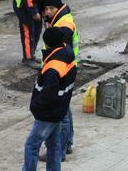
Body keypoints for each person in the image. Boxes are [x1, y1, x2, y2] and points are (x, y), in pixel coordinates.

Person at [22, 27, 77, 171]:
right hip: (59, 109)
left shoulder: (53, 67)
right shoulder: (67, 53)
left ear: (47, 44)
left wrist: (35, 106)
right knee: (54, 145)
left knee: (31, 145)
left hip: (48, 113)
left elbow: (48, 95)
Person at [42, 0, 78, 160]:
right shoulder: (61, 19)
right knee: (66, 108)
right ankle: (67, 144)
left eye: (51, 8)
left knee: (61, 112)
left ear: (58, 8)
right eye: (46, 9)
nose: (48, 12)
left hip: (62, 71)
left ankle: (59, 152)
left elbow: (61, 50)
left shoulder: (63, 25)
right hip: (67, 69)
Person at [13, 0, 60, 69]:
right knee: (28, 30)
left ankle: (32, 54)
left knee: (37, 30)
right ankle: (27, 58)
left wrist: (45, 13)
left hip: (37, 4)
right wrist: (34, 13)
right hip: (22, 5)